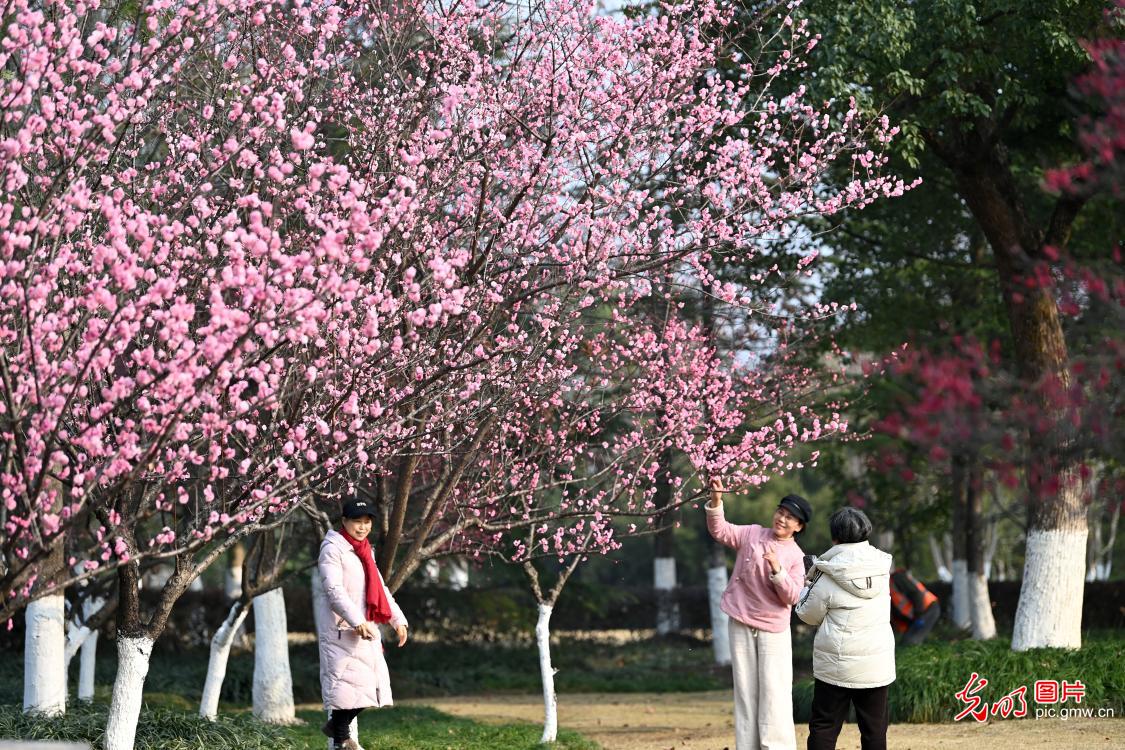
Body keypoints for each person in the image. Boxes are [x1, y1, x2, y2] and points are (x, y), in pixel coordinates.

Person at [706, 478, 811, 750]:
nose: (783, 520)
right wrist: (717, 501)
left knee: (774, 692)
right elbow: (721, 531)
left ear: (799, 527)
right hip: (740, 620)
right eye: (781, 513)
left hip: (772, 629)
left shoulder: (796, 557)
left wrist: (777, 570)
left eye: (790, 519)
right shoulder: (752, 534)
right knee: (745, 691)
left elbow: (792, 597)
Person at [795, 507, 895, 750]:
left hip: (836, 665)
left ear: (835, 537)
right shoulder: (882, 568)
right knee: (874, 731)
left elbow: (806, 614)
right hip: (875, 664)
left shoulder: (827, 573)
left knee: (824, 727)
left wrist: (808, 581)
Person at [316, 498, 410, 750]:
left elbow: (381, 588)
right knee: (346, 693)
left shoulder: (365, 550)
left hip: (365, 630)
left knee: (366, 689)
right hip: (342, 631)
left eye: (367, 522)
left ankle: (337, 729)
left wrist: (397, 620)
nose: (362, 527)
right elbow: (333, 591)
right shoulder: (332, 549)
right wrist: (356, 621)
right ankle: (341, 738)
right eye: (357, 521)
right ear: (344, 521)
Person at [889, 567, 940, 645]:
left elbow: (915, 593)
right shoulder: (888, 584)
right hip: (918, 615)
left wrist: (919, 616)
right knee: (905, 643)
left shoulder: (897, 578)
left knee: (910, 643)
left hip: (927, 609)